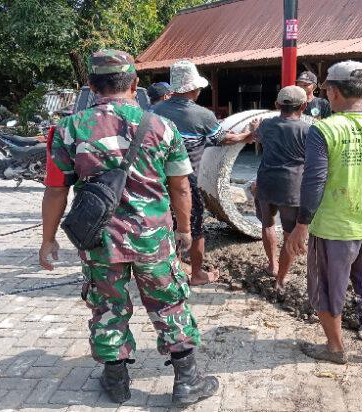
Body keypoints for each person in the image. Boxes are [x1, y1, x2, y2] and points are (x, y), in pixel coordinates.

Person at [38, 50, 218, 405]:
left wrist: (47, 240)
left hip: (99, 239)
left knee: (107, 308)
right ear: (135, 84)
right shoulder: (160, 125)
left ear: (90, 86)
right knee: (169, 304)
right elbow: (181, 185)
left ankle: (116, 382)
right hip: (153, 237)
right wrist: (184, 230)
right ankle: (186, 382)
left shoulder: (69, 128)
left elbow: (56, 188)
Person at [286, 61, 362, 364]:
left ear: (333, 92)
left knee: (327, 291)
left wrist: (301, 225)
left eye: (328, 88)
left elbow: (314, 181)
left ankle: (335, 348)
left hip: (332, 229)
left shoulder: (324, 130)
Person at [153, 60, 255, 286]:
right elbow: (223, 139)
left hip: (158, 180)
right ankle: (197, 274)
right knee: (195, 226)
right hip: (187, 181)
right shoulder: (201, 115)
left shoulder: (155, 110)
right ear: (193, 89)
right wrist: (246, 137)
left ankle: (175, 267)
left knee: (168, 224)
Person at [250, 85, 309, 291]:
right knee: (289, 233)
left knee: (267, 224)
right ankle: (281, 279)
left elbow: (256, 135)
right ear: (304, 105)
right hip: (292, 187)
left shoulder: (265, 125)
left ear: (277, 105)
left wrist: (254, 127)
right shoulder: (307, 130)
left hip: (266, 181)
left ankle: (272, 265)